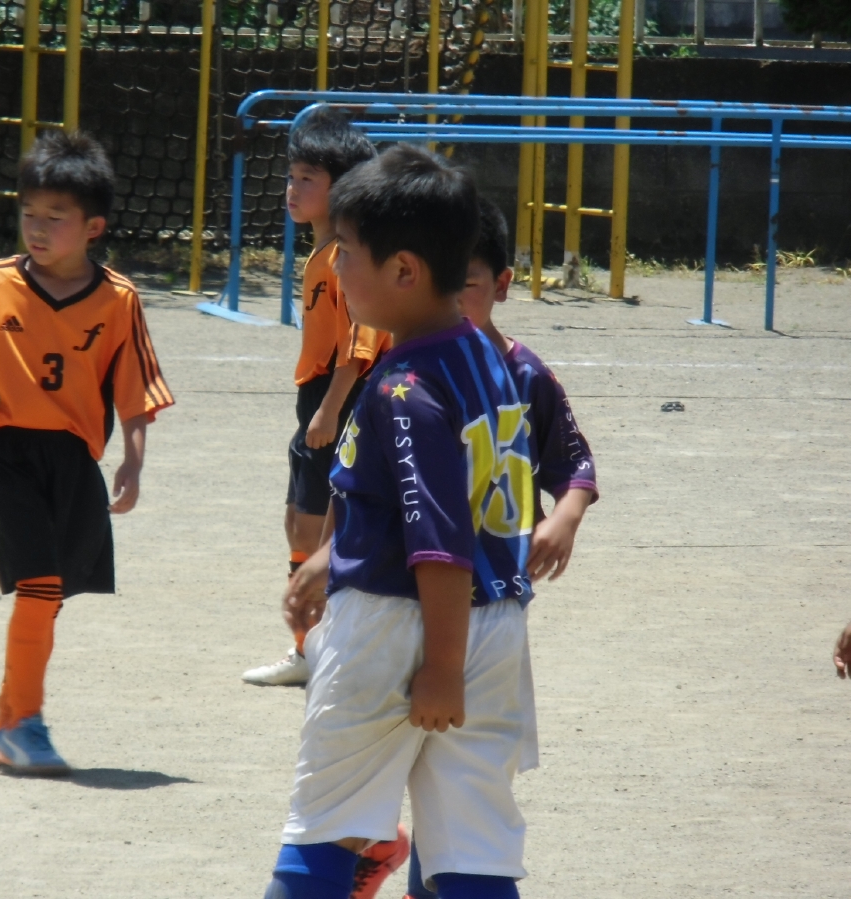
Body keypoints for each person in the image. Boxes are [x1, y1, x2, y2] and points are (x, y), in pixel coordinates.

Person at [262, 145, 537, 899]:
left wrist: (440, 664)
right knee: (474, 847)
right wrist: (329, 557)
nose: (335, 265)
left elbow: (439, 541)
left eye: (347, 252)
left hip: (399, 625)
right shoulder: (489, 360)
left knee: (325, 828)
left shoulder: (402, 386)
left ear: (405, 271)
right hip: (496, 626)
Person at [398, 198, 600, 899]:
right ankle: (385, 852)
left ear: (503, 284)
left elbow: (574, 462)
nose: (454, 301)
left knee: (465, 775)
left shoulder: (525, 375)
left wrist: (565, 517)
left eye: (469, 285)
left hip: (490, 610)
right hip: (405, 603)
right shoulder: (408, 370)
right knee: (416, 767)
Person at [0, 129, 174, 774]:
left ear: (93, 228)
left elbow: (135, 388)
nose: (37, 227)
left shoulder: (118, 299)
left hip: (73, 458)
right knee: (40, 585)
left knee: (49, 596)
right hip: (5, 449)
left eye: (56, 217)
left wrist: (132, 460)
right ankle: (24, 723)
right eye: (28, 212)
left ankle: (6, 720)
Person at [242, 105, 389, 688]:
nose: (293, 188)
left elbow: (361, 341)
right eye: (292, 175)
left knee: (321, 530)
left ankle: (320, 648)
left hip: (338, 401)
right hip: (318, 401)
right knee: (297, 524)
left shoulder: (344, 259)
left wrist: (330, 409)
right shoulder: (324, 252)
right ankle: (311, 647)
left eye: (308, 178)